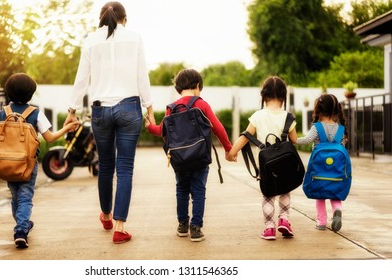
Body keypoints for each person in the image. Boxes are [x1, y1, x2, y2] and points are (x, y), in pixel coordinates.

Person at [64, 1, 155, 244]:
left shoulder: (91, 40)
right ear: (125, 19)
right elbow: (141, 75)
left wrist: (71, 110)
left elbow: (81, 78)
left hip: (100, 110)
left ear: (101, 18)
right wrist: (150, 108)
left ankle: (105, 215)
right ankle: (120, 227)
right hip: (129, 107)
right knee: (125, 168)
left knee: (105, 166)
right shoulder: (135, 38)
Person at [0, 73, 78, 249]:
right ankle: (21, 230)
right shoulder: (35, 113)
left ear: (9, 93)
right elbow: (49, 138)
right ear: (31, 94)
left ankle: (23, 224)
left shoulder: (3, 113)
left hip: (6, 163)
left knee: (16, 198)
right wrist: (66, 128)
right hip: (27, 164)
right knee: (25, 198)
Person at [145, 69, 232, 242]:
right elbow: (218, 128)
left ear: (178, 89)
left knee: (182, 189)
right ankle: (196, 228)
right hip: (200, 157)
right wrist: (228, 148)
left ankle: (182, 225)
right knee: (199, 190)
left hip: (179, 159)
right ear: (198, 85)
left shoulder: (172, 108)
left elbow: (161, 130)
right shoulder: (202, 104)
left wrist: (149, 127)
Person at [226, 76, 297, 240]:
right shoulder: (288, 117)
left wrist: (232, 153)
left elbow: (245, 136)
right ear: (283, 96)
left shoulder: (258, 116)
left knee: (268, 195)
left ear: (263, 96)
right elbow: (293, 140)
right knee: (285, 190)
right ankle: (284, 220)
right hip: (285, 162)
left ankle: (270, 228)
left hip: (266, 164)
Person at [296, 93, 347, 232]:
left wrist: (293, 139)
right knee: (334, 192)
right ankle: (337, 210)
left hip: (319, 169)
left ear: (318, 108)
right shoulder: (341, 129)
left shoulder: (317, 127)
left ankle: (321, 222)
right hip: (336, 170)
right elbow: (342, 147)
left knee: (320, 195)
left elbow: (306, 140)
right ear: (336, 109)